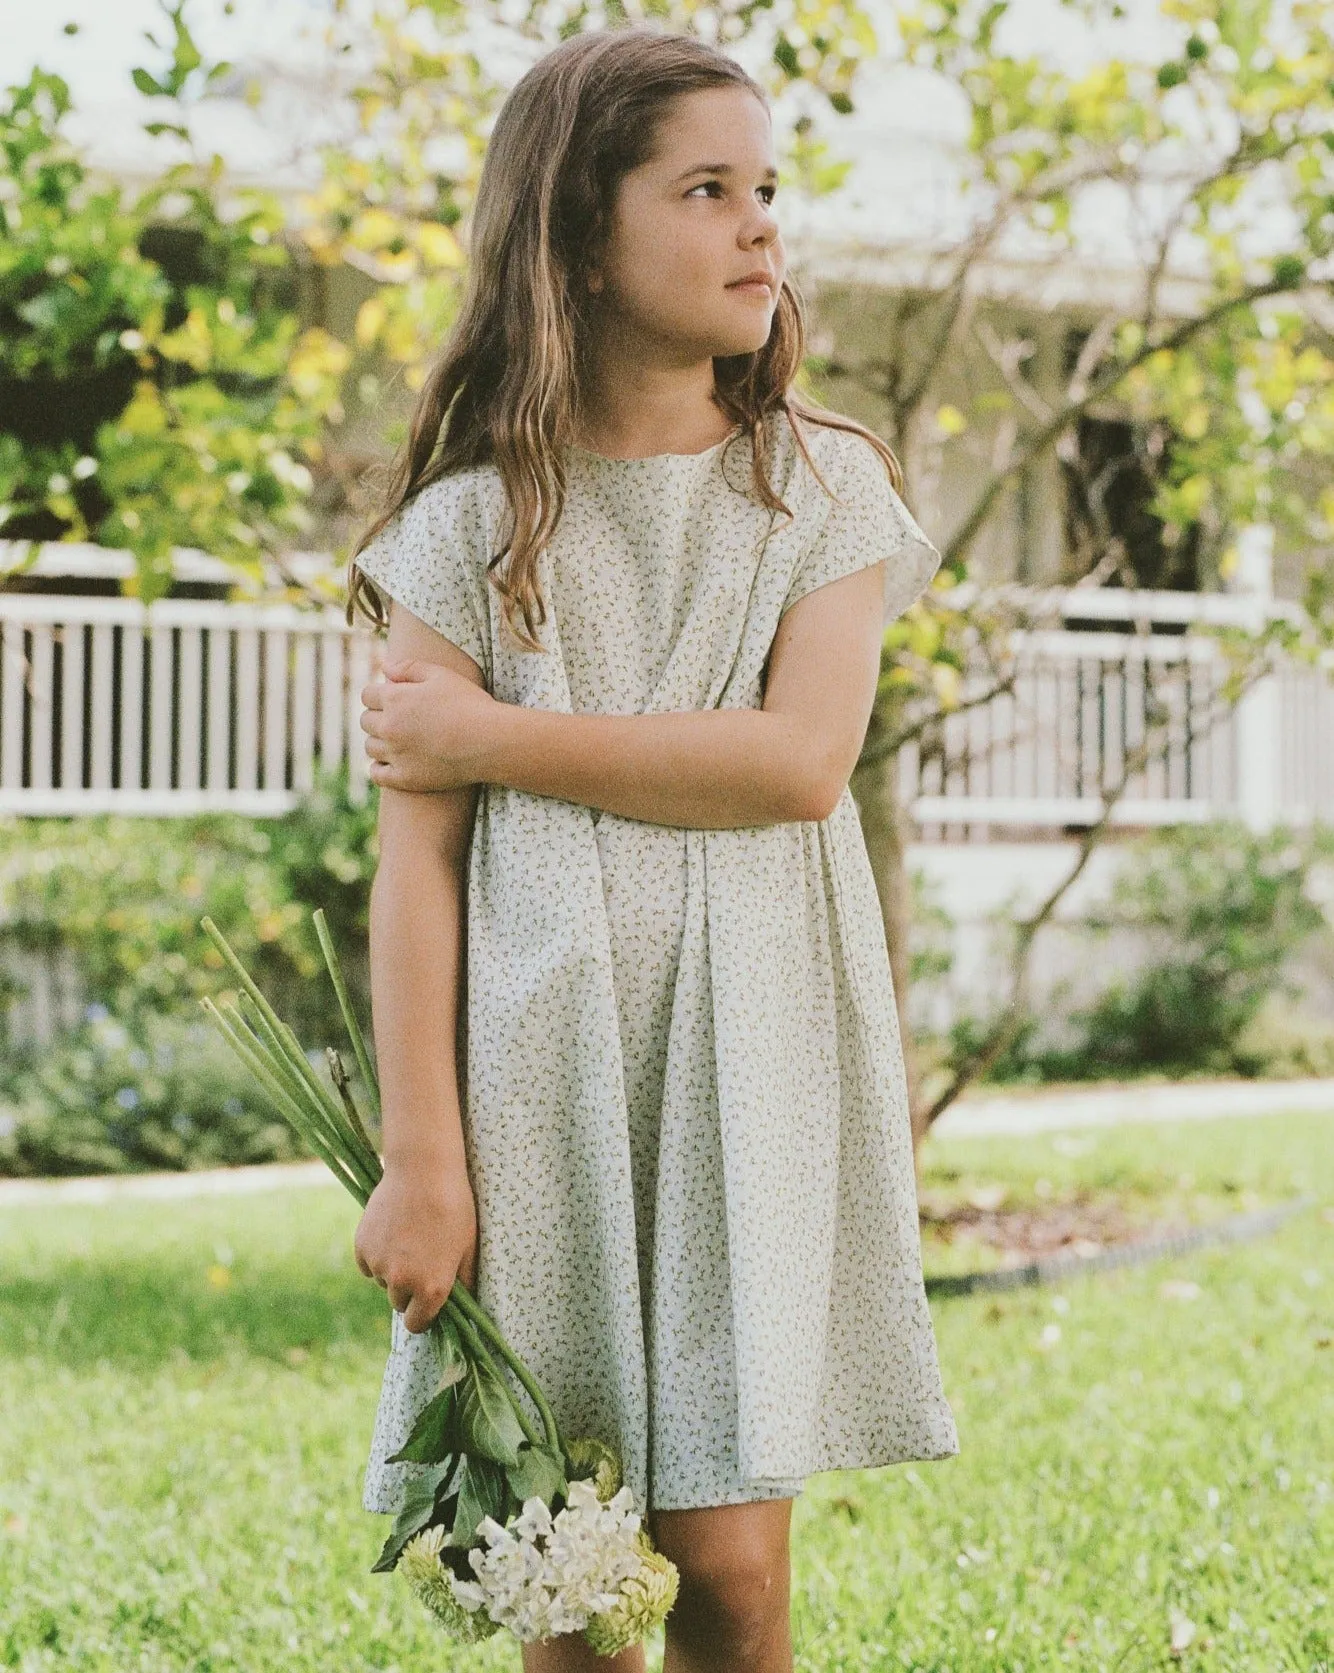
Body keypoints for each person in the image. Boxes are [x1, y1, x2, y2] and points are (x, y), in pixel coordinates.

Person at [345, 25, 959, 1673]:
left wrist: (494, 737)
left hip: (742, 1062)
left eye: (768, 189)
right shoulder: (469, 526)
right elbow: (416, 870)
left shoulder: (817, 489)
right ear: (577, 241)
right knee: (566, 1556)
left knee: (729, 1570)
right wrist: (422, 1158)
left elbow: (795, 765)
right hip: (540, 1075)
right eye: (706, 189)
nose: (761, 225)